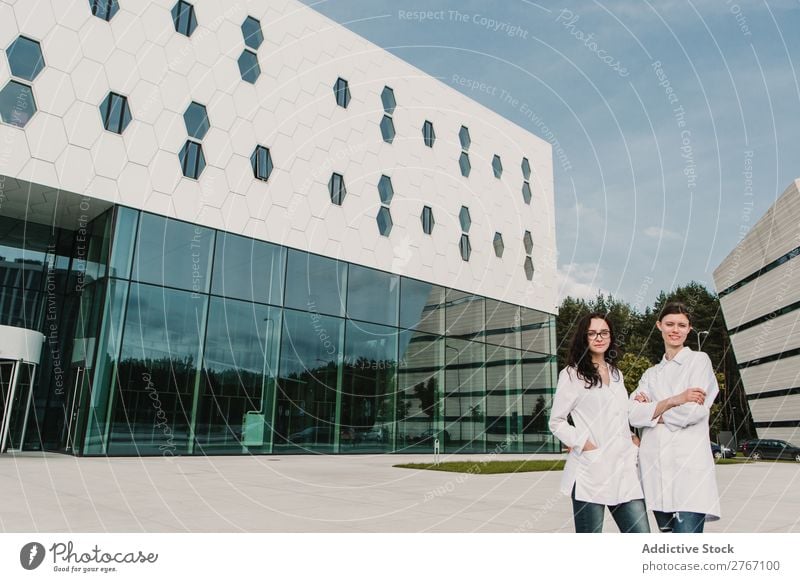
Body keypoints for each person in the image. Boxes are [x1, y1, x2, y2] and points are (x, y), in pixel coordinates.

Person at [549, 313, 649, 533]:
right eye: (592, 333)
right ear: (584, 338)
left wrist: (632, 436)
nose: (599, 337)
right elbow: (556, 422)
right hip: (590, 470)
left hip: (623, 469)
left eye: (604, 333)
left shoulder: (617, 374)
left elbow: (619, 413)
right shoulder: (572, 375)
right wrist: (585, 444)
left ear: (611, 336)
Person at [628, 302, 720, 533]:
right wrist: (674, 400)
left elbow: (694, 411)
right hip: (655, 470)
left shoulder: (699, 361)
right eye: (669, 324)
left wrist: (653, 411)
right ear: (659, 325)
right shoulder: (650, 374)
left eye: (682, 325)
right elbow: (632, 413)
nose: (675, 330)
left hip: (688, 472)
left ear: (689, 329)